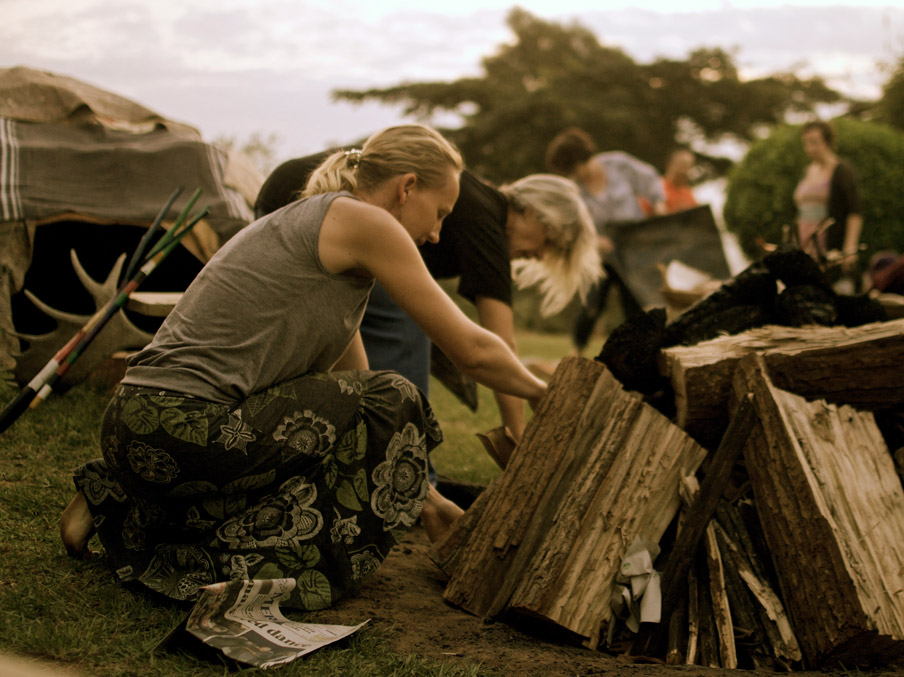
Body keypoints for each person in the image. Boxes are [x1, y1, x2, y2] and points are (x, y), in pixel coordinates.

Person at [59, 124, 551, 612]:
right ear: (407, 187)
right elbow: (471, 350)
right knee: (398, 396)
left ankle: (118, 499)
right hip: (181, 428)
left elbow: (361, 406)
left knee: (375, 402)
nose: (438, 233)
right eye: (440, 212)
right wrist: (542, 393)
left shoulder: (324, 231)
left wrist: (427, 501)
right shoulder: (367, 224)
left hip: (135, 424)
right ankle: (237, 562)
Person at [255, 153, 600, 461]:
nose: (540, 255)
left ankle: (360, 455)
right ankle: (409, 475)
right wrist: (518, 436)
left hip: (282, 200)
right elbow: (498, 342)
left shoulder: (477, 202)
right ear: (533, 213)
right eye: (549, 241)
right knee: (407, 328)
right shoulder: (487, 220)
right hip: (304, 200)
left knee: (349, 341)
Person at [545, 126, 666, 355]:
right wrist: (595, 241)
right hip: (601, 253)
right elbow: (575, 226)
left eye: (574, 168)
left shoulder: (619, 164)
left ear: (582, 159)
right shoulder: (574, 189)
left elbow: (651, 181)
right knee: (590, 303)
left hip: (632, 246)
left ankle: (638, 355)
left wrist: (659, 207)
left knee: (633, 302)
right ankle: (576, 352)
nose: (574, 174)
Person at [794, 119, 863, 291]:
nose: (809, 148)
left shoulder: (841, 170)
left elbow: (854, 211)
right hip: (806, 242)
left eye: (814, 142)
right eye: (806, 143)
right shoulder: (807, 171)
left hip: (830, 244)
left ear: (827, 142)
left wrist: (849, 249)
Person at [662, 148, 698, 213]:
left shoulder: (687, 192)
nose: (685, 171)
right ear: (670, 164)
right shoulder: (657, 187)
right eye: (682, 165)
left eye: (689, 166)